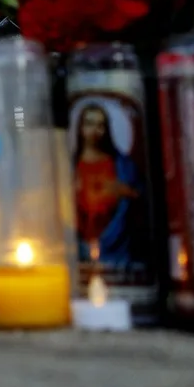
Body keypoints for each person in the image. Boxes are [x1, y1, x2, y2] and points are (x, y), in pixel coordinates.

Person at [73, 105, 139, 266]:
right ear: (80, 128)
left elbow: (139, 195)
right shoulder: (69, 166)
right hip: (79, 247)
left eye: (100, 125)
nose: (94, 130)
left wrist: (124, 191)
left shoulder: (122, 165)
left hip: (117, 248)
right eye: (89, 124)